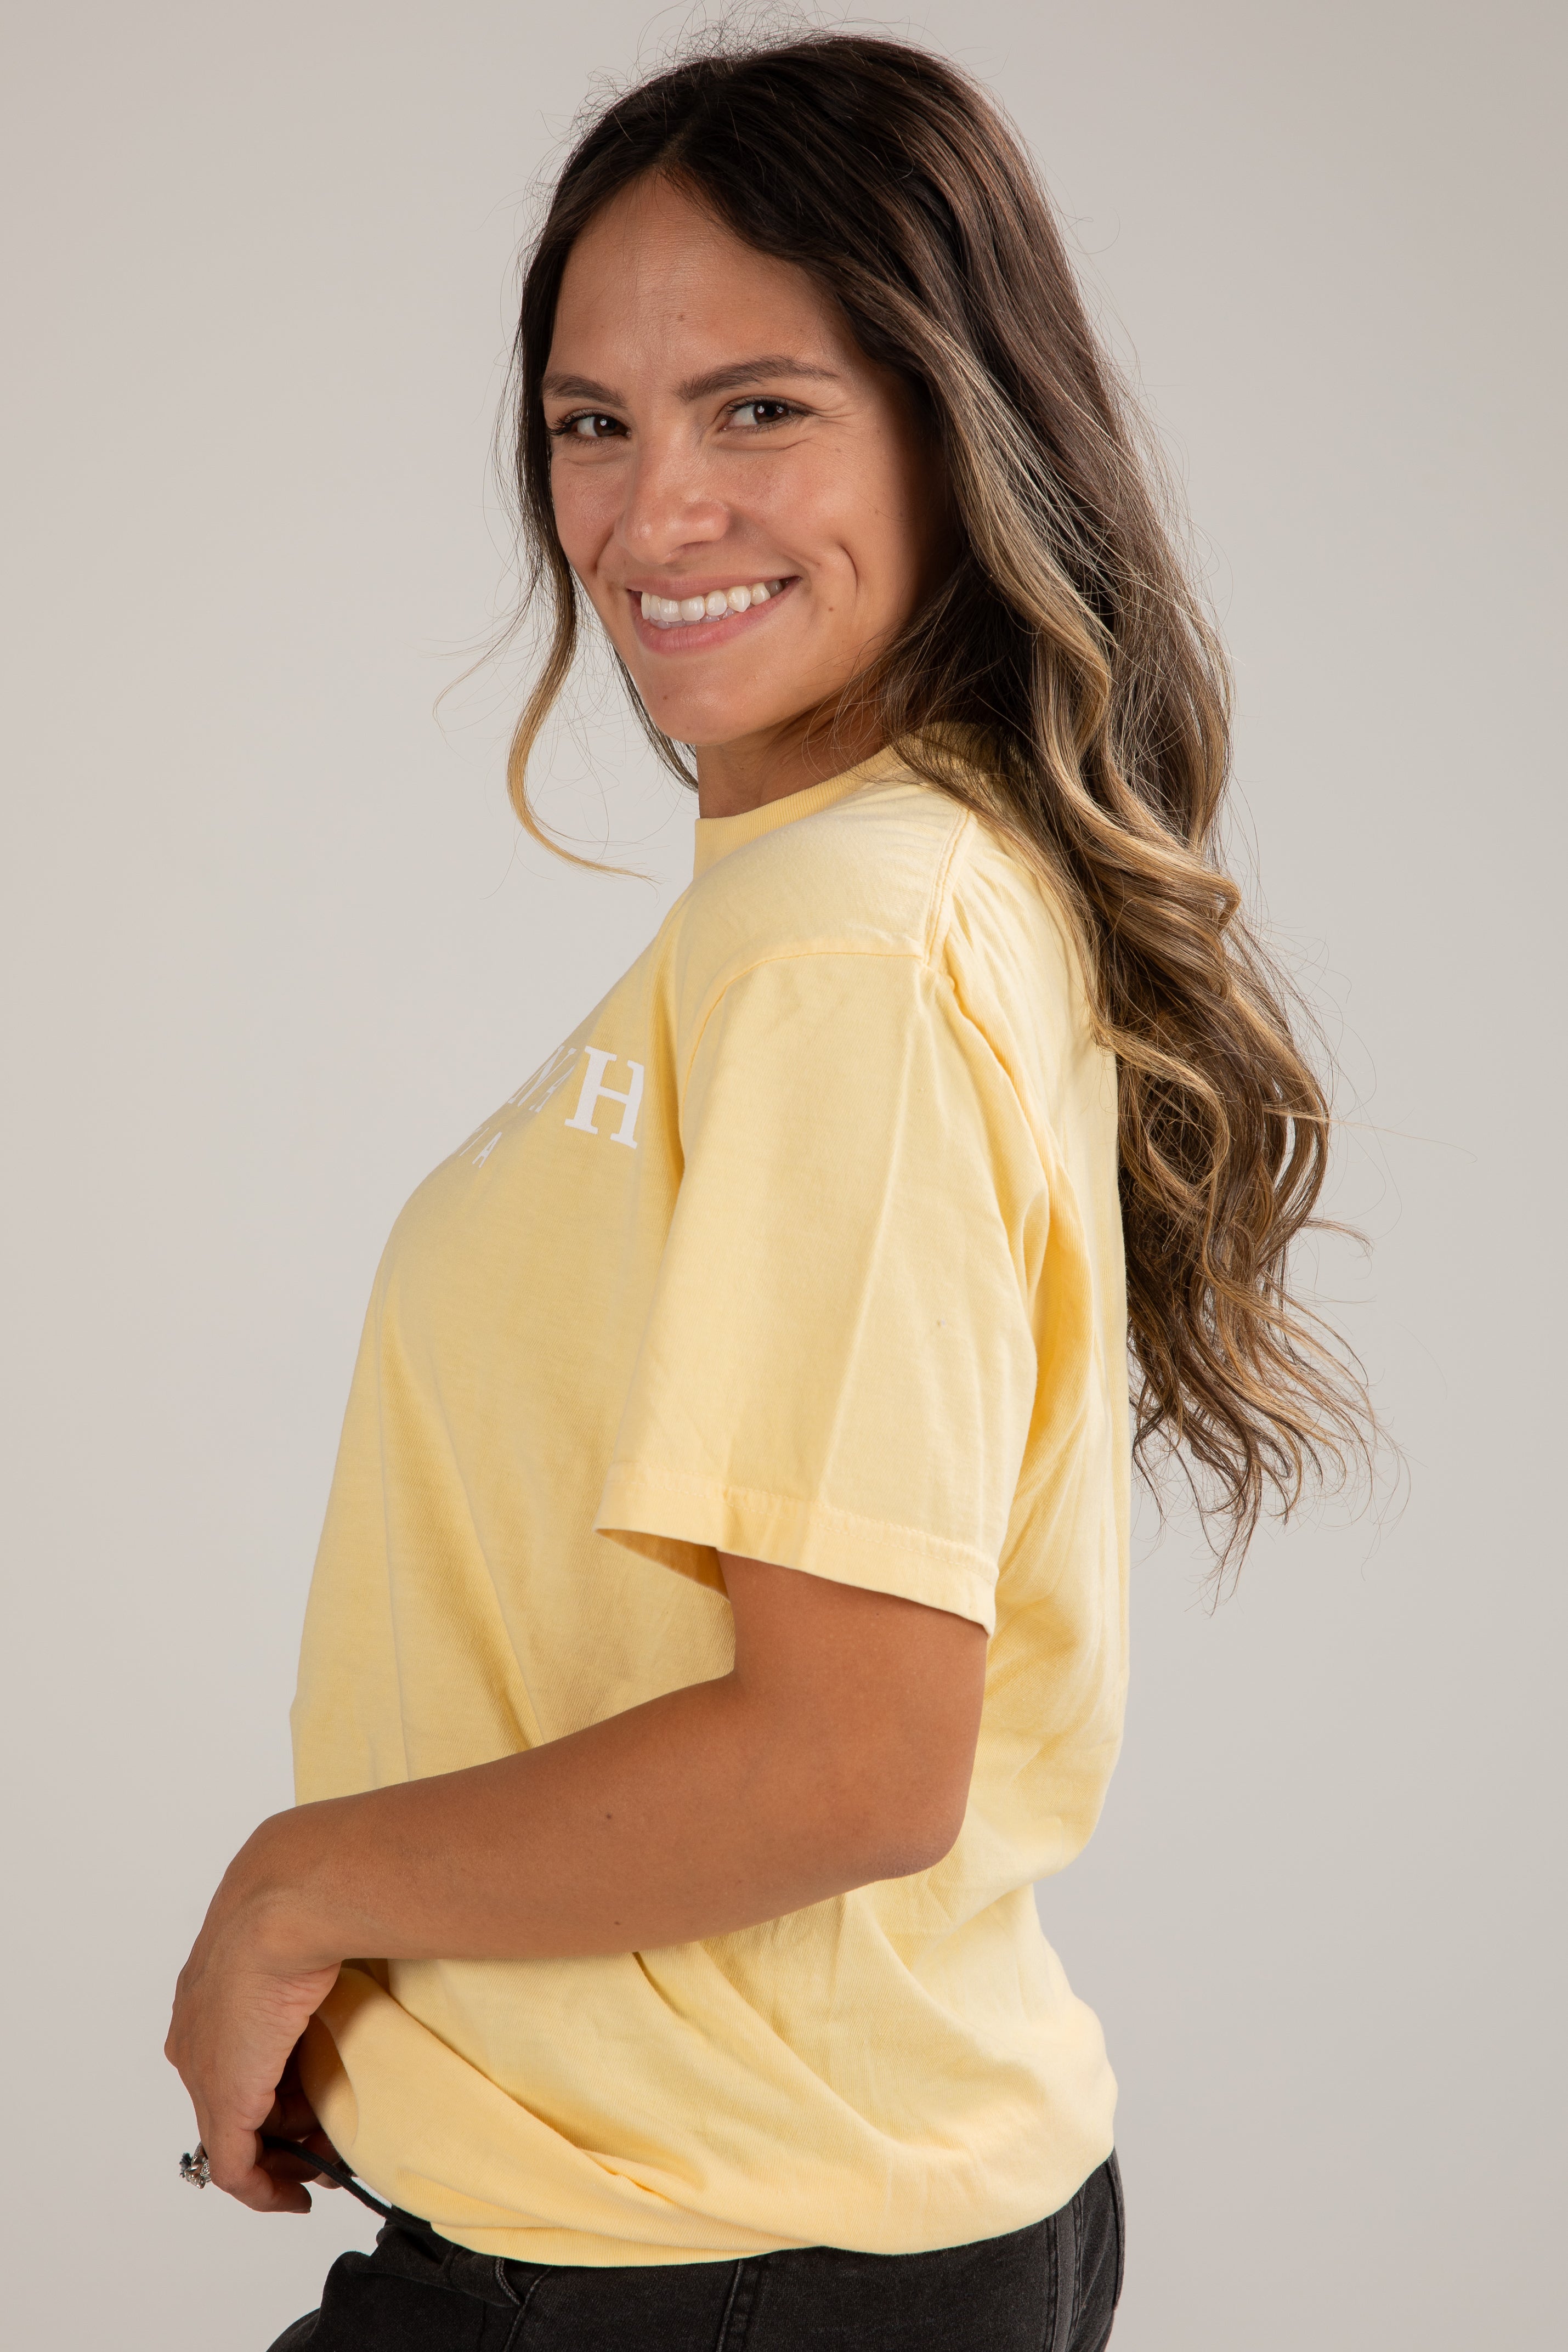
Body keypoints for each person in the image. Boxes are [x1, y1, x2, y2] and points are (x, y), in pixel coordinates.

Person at [167, 32, 1371, 2350]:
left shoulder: (856, 936)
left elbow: (846, 1757)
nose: (649, 514)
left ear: (955, 421)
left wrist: (287, 1892)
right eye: (589, 425)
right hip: (700, 2225)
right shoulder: (858, 898)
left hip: (723, 2260)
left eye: (760, 410)